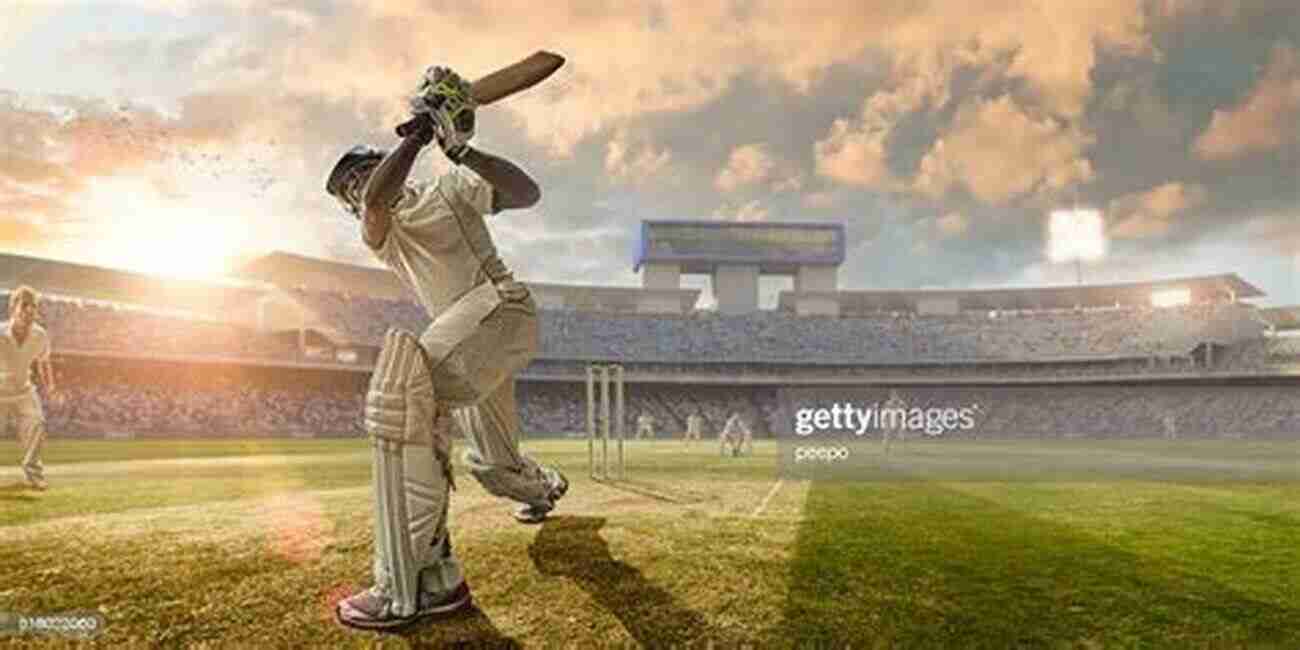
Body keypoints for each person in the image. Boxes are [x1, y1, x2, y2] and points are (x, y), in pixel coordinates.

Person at [325, 66, 566, 631]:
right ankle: (543, 488)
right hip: (472, 338)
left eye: (362, 174)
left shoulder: (448, 188)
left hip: (499, 309)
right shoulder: (380, 228)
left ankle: (417, 584)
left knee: (402, 390)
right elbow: (380, 197)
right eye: (352, 190)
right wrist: (416, 135)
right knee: (491, 465)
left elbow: (526, 193)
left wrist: (461, 151)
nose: (363, 188)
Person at [3, 286, 55, 490]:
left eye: (33, 306)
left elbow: (43, 362)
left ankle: (33, 473)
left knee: (37, 423)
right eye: (24, 305)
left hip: (24, 390)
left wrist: (50, 386)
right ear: (13, 308)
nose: (29, 310)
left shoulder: (40, 335)